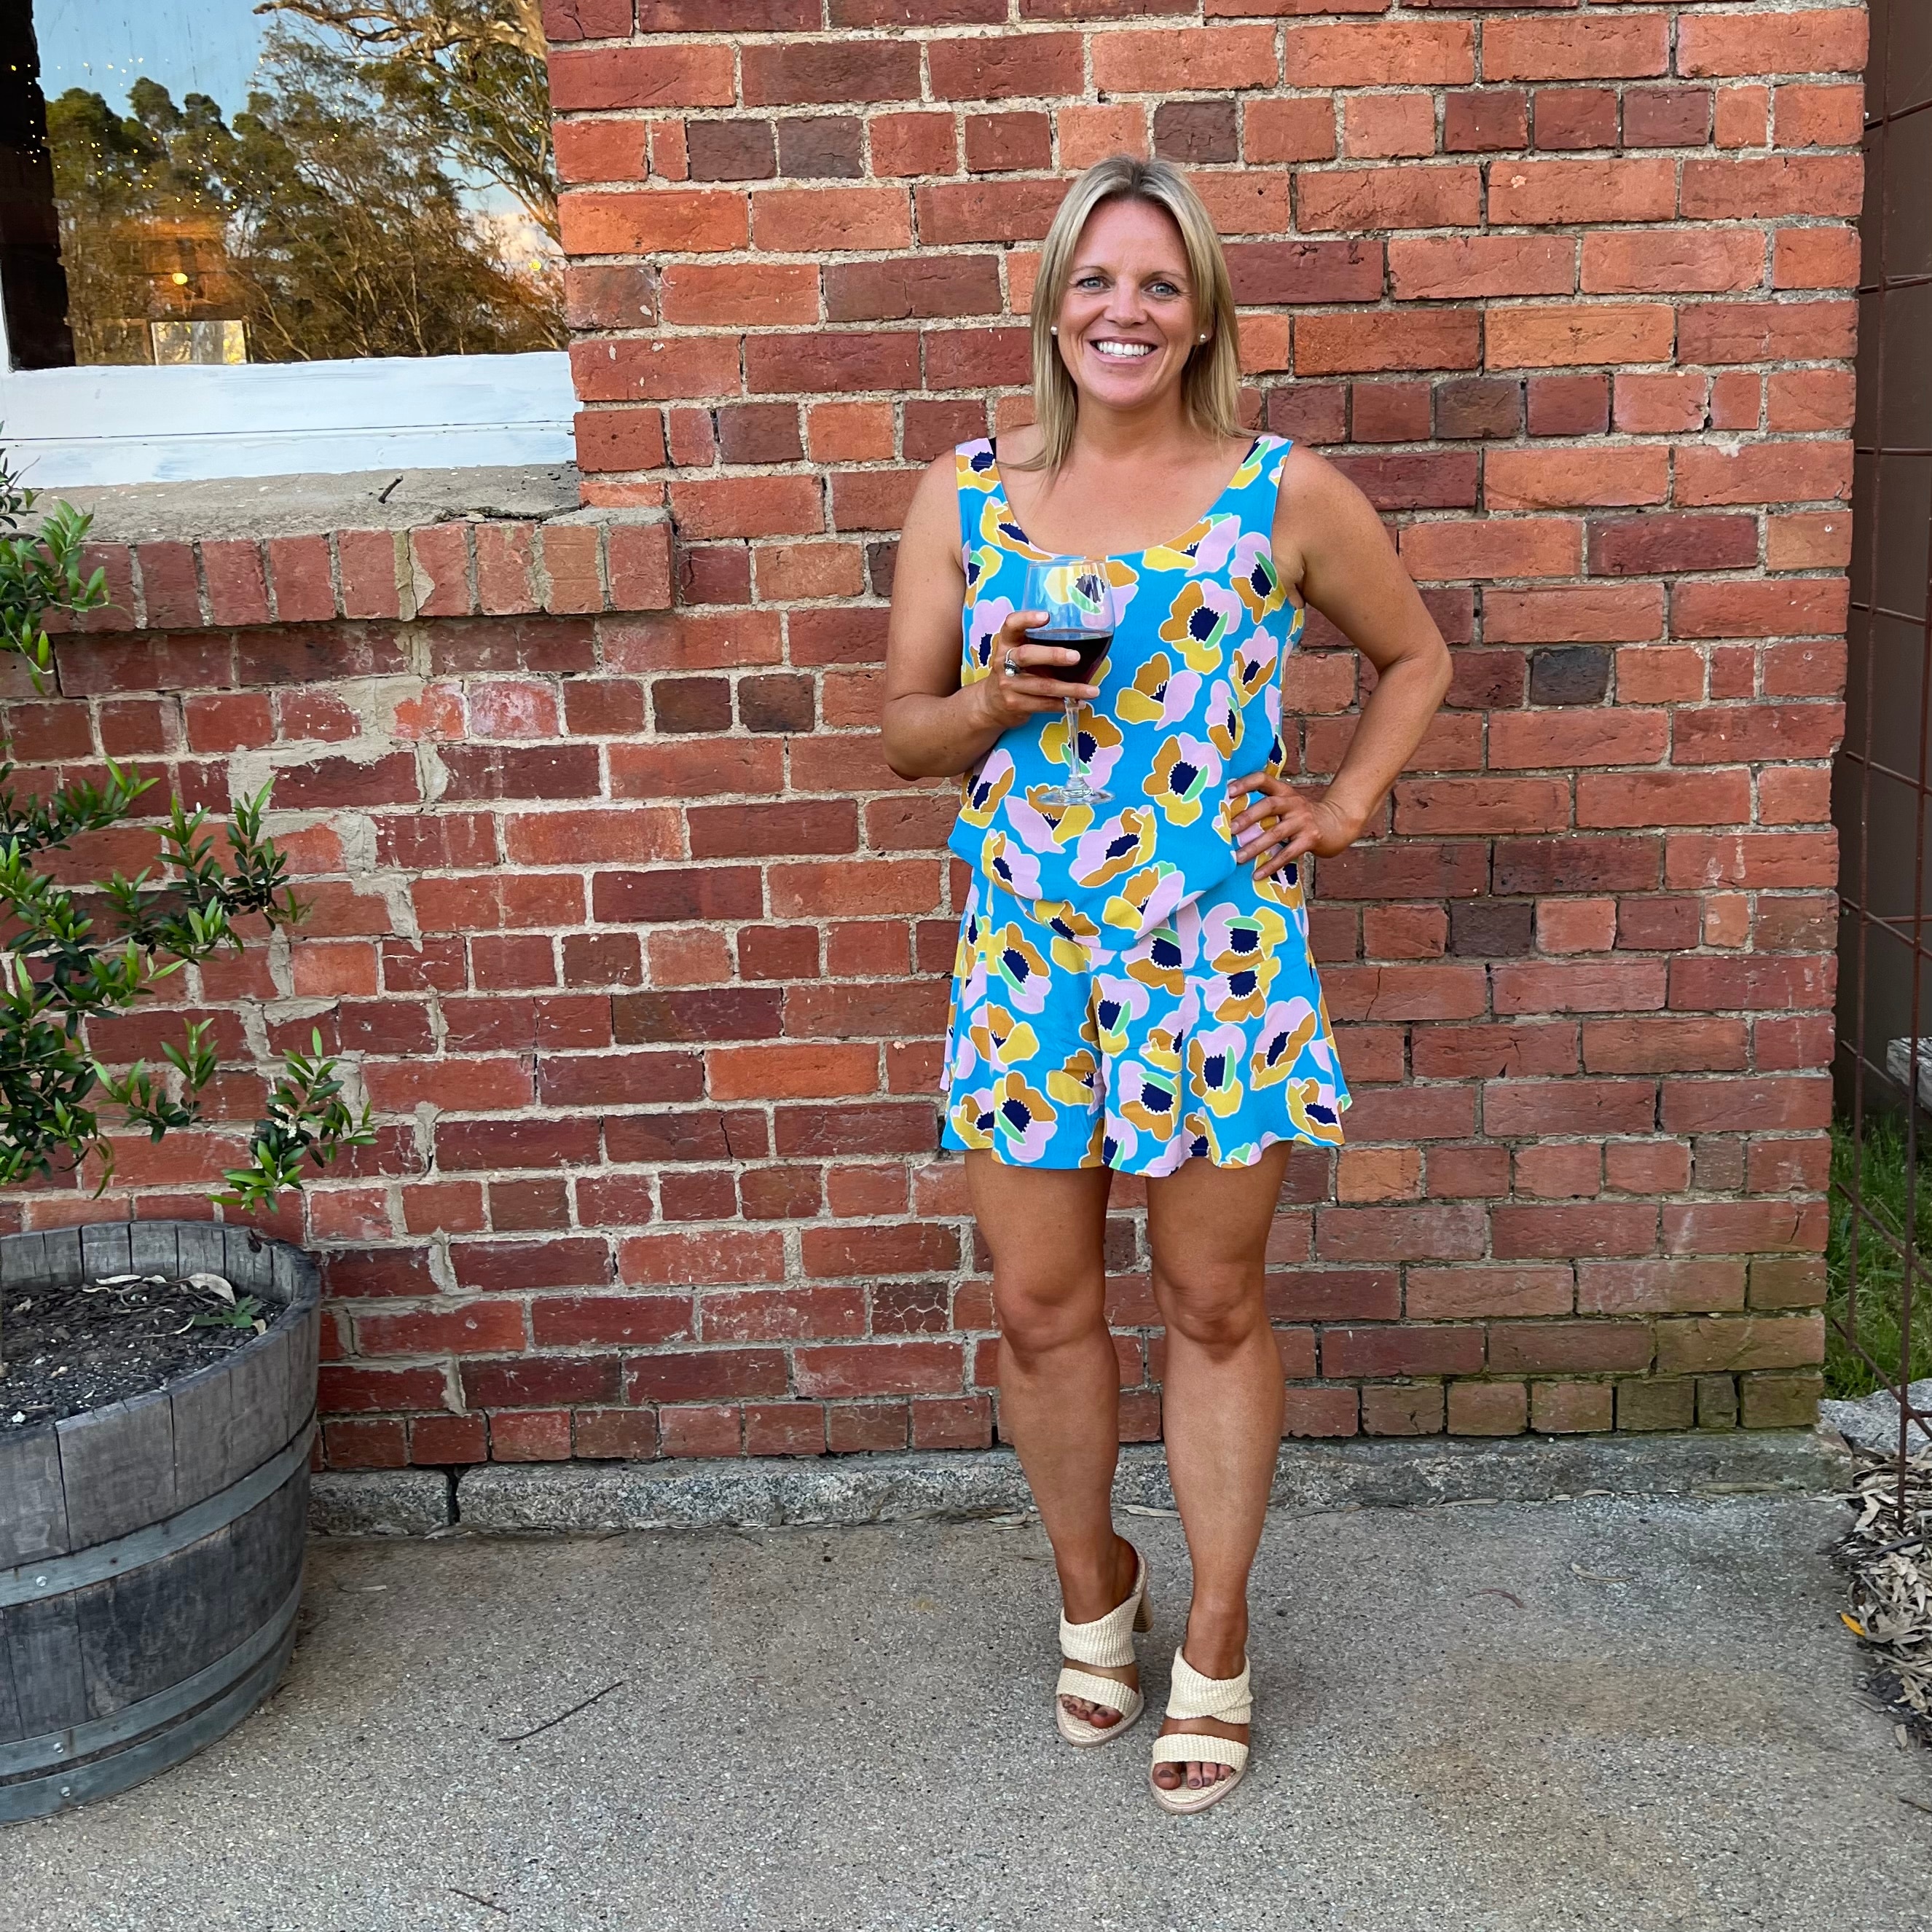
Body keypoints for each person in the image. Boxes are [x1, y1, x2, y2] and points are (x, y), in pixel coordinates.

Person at [879, 154, 1452, 1815]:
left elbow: (1416, 656)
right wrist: (991, 699)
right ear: (1053, 304)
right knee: (1039, 1307)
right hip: (1030, 964)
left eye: (1157, 284)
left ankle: (1215, 1628)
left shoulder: (1283, 493)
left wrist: (1343, 802)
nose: (1122, 311)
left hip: (1218, 962)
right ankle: (1091, 1593)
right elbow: (905, 732)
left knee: (1214, 1303)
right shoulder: (966, 493)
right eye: (1094, 281)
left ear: (1200, 314)